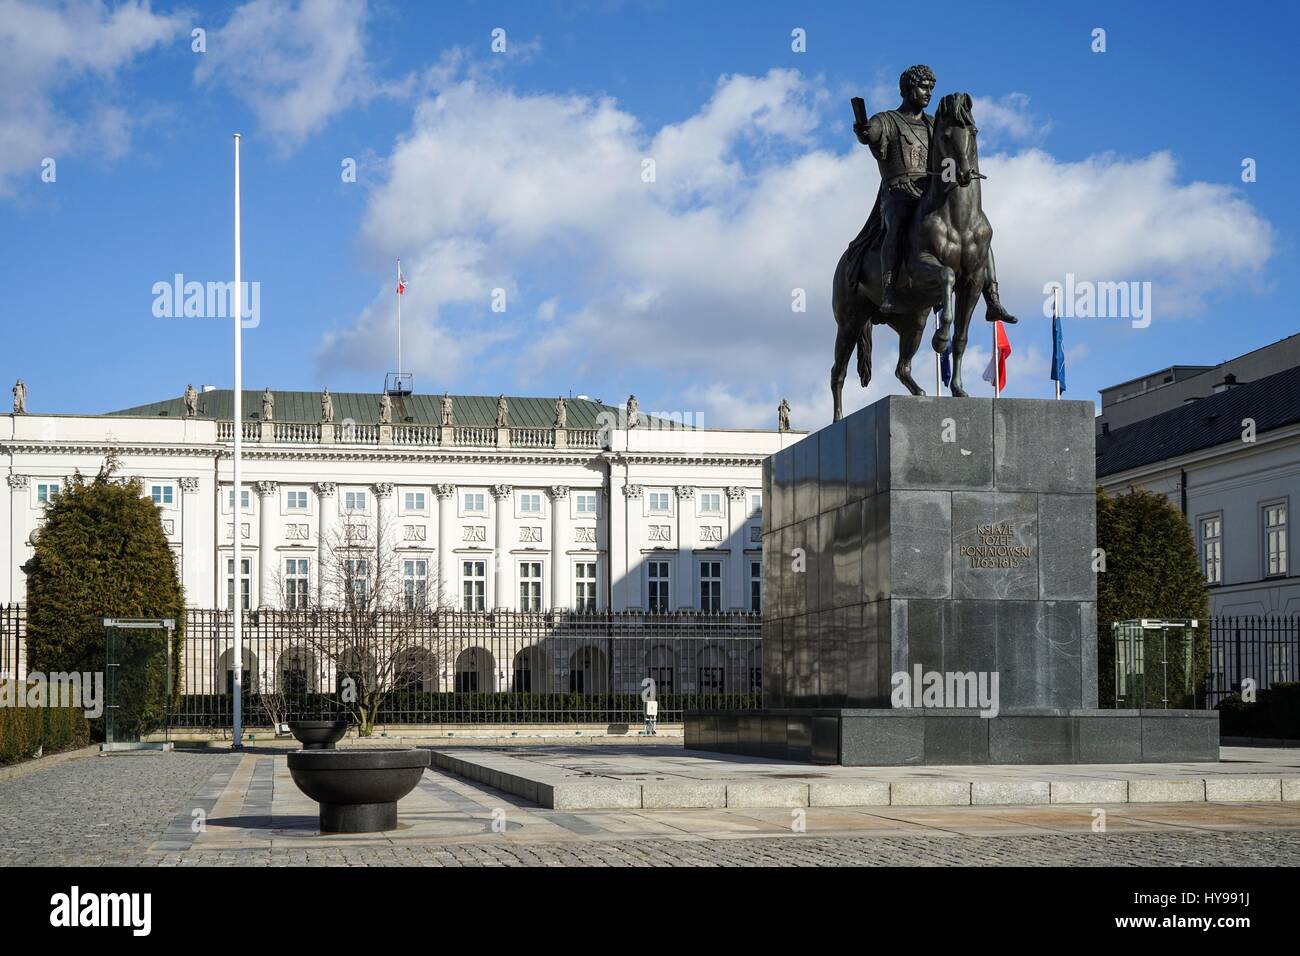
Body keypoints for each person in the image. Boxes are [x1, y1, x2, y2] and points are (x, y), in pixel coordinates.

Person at [856, 64, 1015, 322]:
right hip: (899, 192)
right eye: (922, 87)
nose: (928, 93)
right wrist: (864, 131)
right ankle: (888, 288)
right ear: (907, 89)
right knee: (897, 222)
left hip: (931, 190)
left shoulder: (934, 124)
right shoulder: (888, 120)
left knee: (977, 229)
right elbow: (870, 133)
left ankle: (993, 298)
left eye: (931, 88)